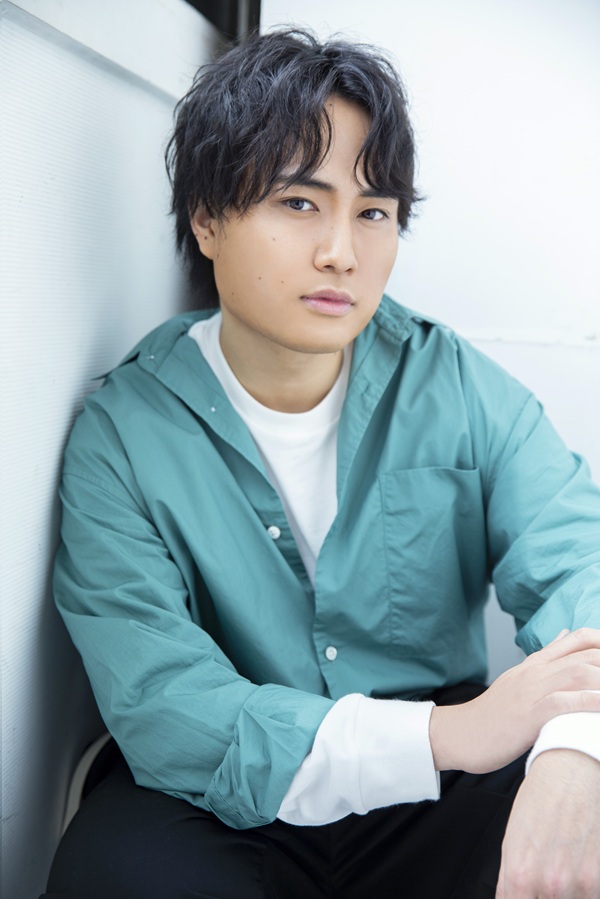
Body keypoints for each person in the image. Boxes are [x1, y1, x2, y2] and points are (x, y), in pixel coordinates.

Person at [43, 27, 600, 899]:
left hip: (436, 797)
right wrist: (450, 734)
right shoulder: (124, 432)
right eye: (300, 202)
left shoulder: (454, 384)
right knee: (113, 873)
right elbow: (164, 701)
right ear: (207, 218)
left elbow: (581, 562)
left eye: (373, 211)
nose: (342, 250)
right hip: (225, 794)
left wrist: (574, 752)